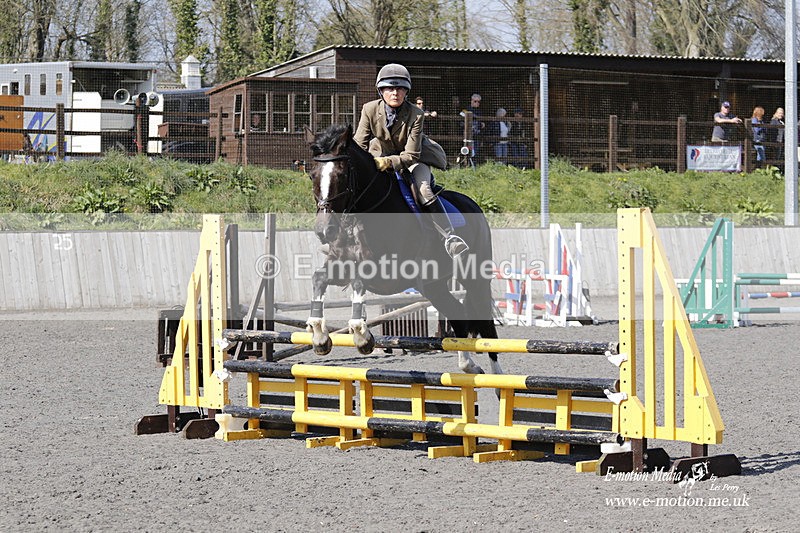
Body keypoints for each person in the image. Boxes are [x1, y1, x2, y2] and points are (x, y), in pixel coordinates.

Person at [354, 63, 469, 258]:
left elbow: (411, 155)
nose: (395, 93)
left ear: (406, 91)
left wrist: (387, 163)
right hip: (379, 155)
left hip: (414, 159)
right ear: (381, 91)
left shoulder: (416, 114)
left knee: (423, 189)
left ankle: (450, 238)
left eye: (400, 88)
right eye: (389, 88)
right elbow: (359, 144)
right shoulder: (369, 109)